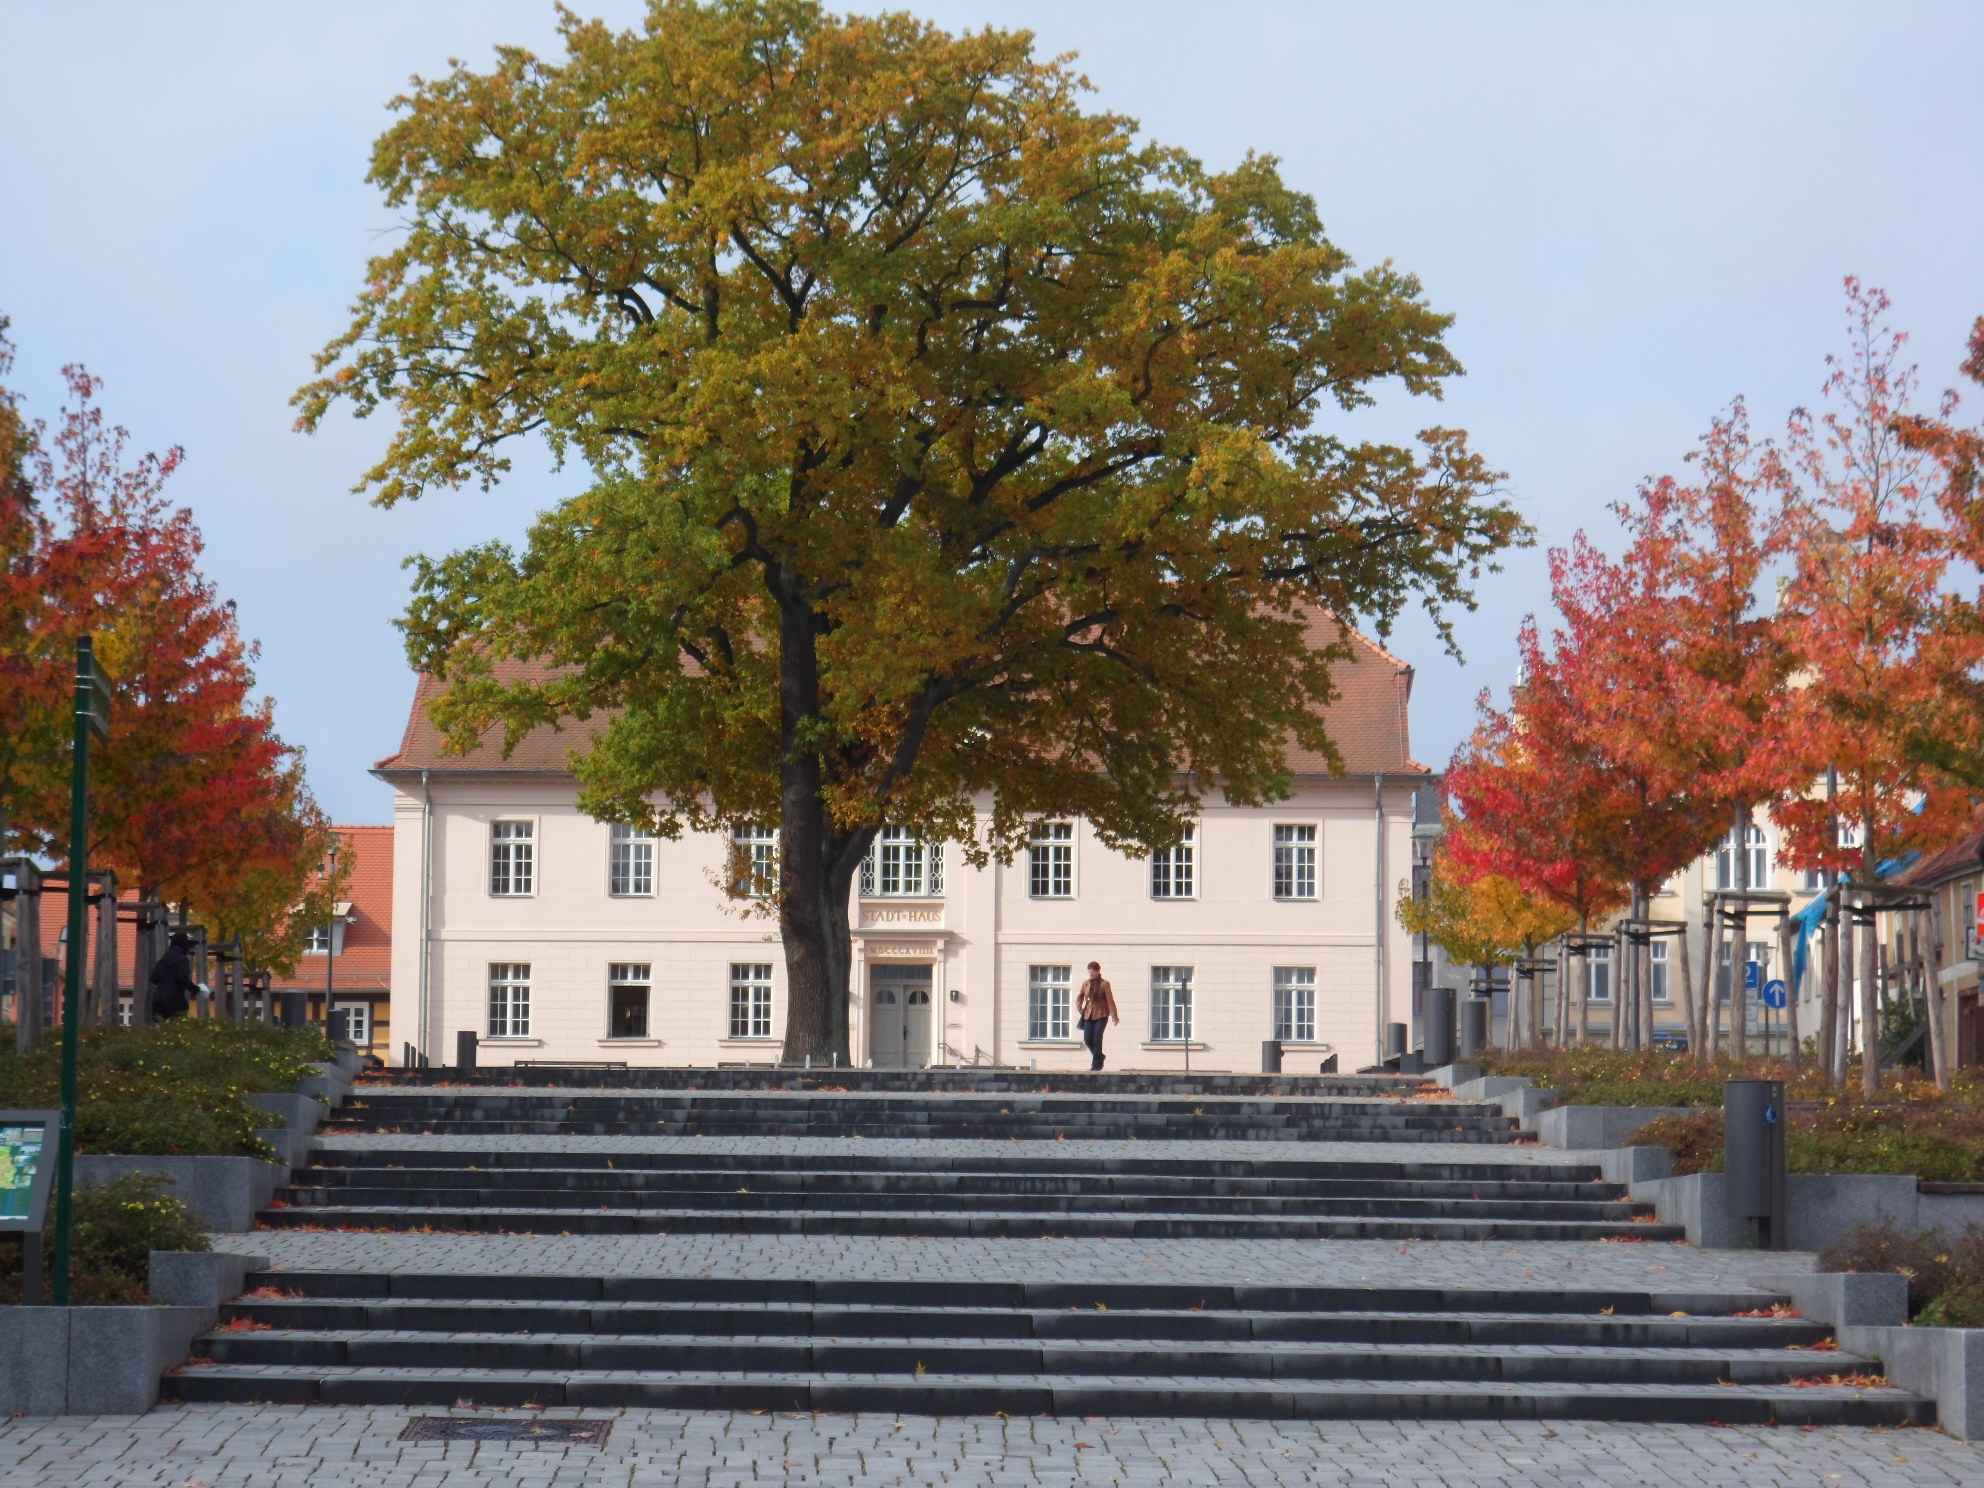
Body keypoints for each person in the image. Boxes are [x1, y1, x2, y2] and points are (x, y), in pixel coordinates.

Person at [1076, 961, 1119, 1072]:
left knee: (1097, 1038)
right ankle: (1099, 1056)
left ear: (1098, 971)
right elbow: (1080, 997)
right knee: (1087, 1039)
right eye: (1089, 972)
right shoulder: (1086, 984)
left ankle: (1096, 1066)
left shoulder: (1104, 984)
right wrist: (1080, 1008)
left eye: (1093, 972)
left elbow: (1110, 1000)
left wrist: (1114, 1016)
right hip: (1088, 1015)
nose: (1091, 974)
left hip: (1102, 1015)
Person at [149, 932, 198, 1021]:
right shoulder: (182, 960)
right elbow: (182, 978)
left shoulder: (164, 958)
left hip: (158, 1000)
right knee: (177, 1025)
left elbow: (153, 978)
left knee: (160, 1026)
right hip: (174, 1002)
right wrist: (195, 989)